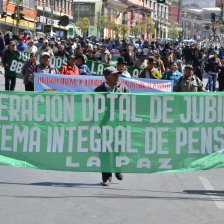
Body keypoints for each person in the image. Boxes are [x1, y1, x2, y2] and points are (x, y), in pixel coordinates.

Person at [94, 66, 129, 186]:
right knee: (104, 151)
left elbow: (128, 104)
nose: (117, 77)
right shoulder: (99, 90)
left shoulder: (123, 88)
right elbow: (96, 108)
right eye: (114, 75)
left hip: (118, 124)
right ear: (107, 77)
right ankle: (106, 176)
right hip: (104, 125)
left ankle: (118, 169)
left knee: (118, 149)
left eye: (117, 75)